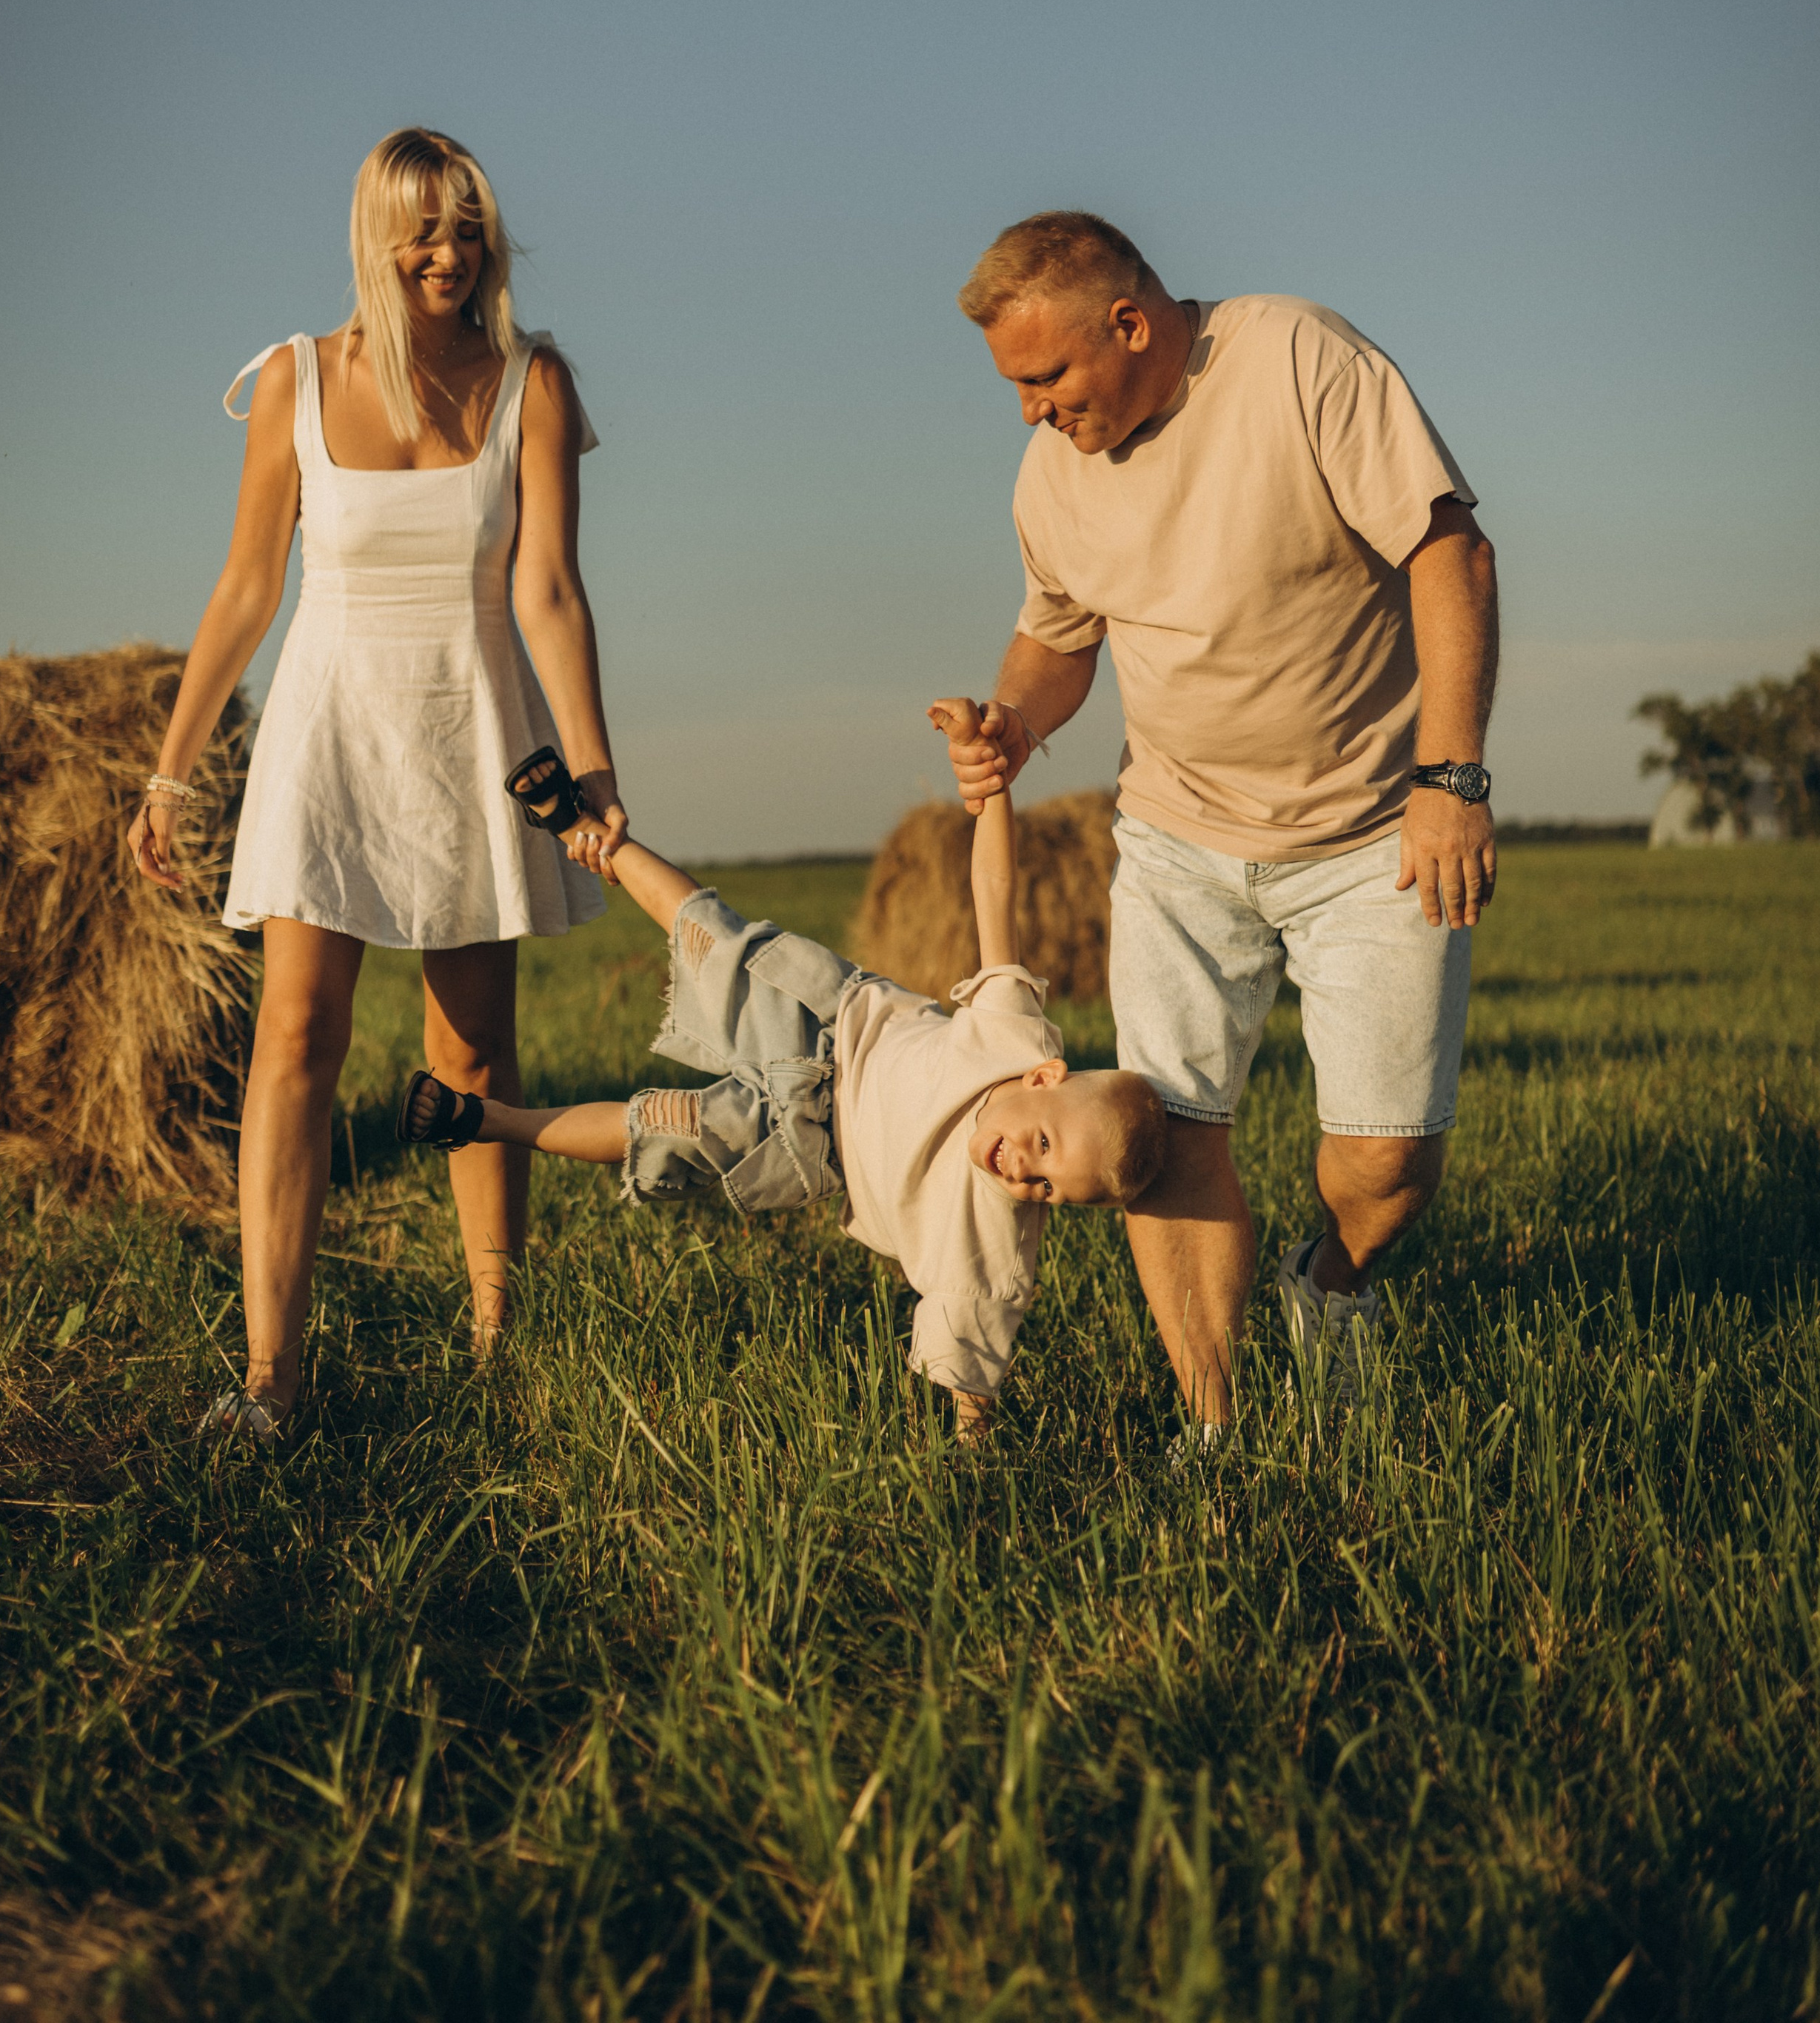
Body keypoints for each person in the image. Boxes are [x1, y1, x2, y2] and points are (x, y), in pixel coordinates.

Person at [937, 210, 1499, 1430]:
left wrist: (1451, 780)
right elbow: (1057, 636)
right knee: (1174, 1134)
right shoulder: (1051, 473)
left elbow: (1450, 554)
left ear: (1130, 325)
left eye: (1045, 378)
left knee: (1390, 1159)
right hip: (1177, 841)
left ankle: (1332, 1281)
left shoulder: (1299, 362)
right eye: (1017, 388)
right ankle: (1215, 1424)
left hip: (1370, 838)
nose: (1031, 410)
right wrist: (1013, 725)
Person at [129, 128, 625, 1442]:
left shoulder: (536, 383)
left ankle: (495, 1343)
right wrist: (170, 773)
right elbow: (248, 588)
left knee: (469, 1052)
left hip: (478, 731)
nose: (450, 255)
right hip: (331, 732)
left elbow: (550, 590)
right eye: (423, 230)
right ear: (374, 235)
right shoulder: (295, 378)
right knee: (296, 1037)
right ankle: (270, 1379)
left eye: (469, 228)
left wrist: (591, 765)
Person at [400, 701, 1168, 1433]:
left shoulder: (998, 1235)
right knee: (709, 931)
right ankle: (579, 823)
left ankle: (486, 1120)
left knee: (663, 1129)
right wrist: (993, 785)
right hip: (827, 1024)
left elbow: (976, 1345)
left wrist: (971, 1445)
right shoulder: (1010, 1038)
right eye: (1040, 1148)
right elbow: (993, 894)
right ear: (1045, 1078)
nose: (1022, 1176)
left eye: (1046, 1190)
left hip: (803, 1141)